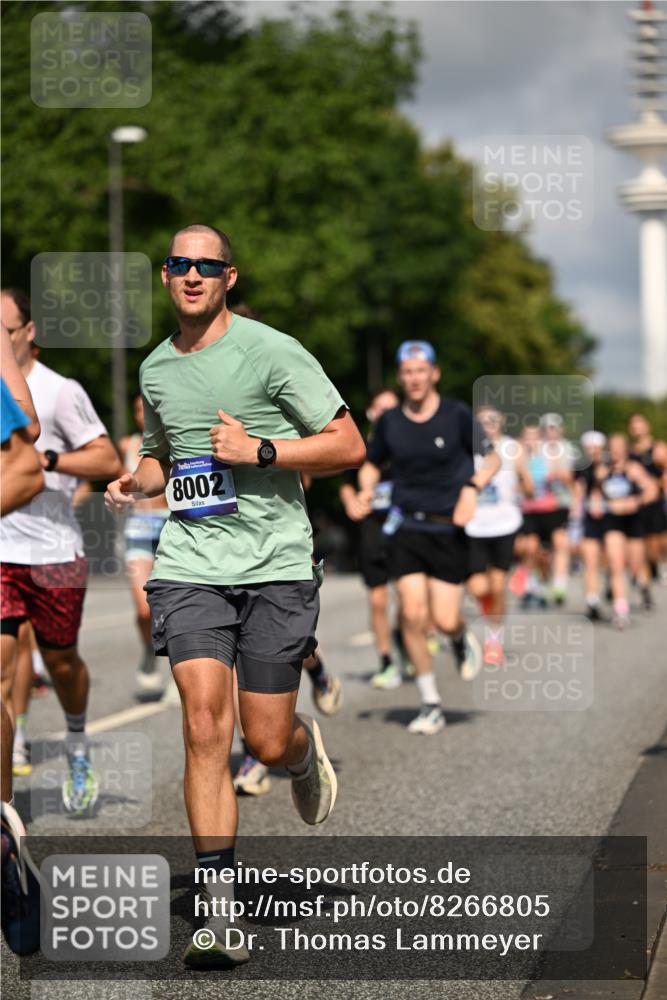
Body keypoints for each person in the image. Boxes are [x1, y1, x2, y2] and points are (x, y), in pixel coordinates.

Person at [104, 224, 365, 969]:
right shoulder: (157, 369)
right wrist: (138, 480)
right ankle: (219, 917)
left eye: (205, 266)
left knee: (263, 738)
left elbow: (348, 445)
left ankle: (297, 749)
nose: (191, 275)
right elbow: (163, 454)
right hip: (189, 564)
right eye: (179, 265)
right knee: (203, 724)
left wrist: (260, 450)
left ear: (229, 277)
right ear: (165, 277)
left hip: (276, 563)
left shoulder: (271, 350)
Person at [0, 287, 122, 813]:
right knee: (3, 665)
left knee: (63, 661)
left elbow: (106, 459)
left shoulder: (58, 391)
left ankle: (76, 741)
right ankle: (7, 800)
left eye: (5, 330)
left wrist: (48, 458)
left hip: (54, 553)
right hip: (3, 549)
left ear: (30, 332)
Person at [358, 341, 500, 736]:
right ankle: (430, 701)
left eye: (421, 370)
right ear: (400, 377)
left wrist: (471, 488)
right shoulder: (389, 422)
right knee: (413, 614)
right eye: (407, 372)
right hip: (406, 528)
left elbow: (492, 459)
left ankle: (458, 636)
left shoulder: (456, 415)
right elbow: (371, 464)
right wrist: (366, 489)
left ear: (434, 373)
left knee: (444, 617)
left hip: (447, 528)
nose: (414, 378)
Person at [340, 387, 411, 690]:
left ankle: (405, 635)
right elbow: (345, 484)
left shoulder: (411, 444)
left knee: (410, 602)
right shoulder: (359, 447)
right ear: (370, 412)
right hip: (371, 528)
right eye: (379, 408)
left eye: (390, 408)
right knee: (378, 600)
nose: (384, 414)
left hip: (406, 528)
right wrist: (350, 502)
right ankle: (385, 661)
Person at [465, 406, 532, 665]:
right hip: (474, 526)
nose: (488, 424)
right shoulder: (467, 448)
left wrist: (524, 485)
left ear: (502, 421)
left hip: (505, 525)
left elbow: (529, 486)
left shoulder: (512, 448)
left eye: (493, 419)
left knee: (496, 585)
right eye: (482, 421)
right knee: (477, 587)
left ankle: (494, 639)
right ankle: (489, 611)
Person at [117, 393, 171, 698]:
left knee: (178, 607)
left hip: (169, 524)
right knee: (143, 609)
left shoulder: (175, 441)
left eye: (147, 409)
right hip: (138, 527)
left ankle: (183, 670)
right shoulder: (126, 445)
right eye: (138, 409)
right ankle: (149, 651)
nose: (142, 414)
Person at [593, 434, 658, 628]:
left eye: (618, 446)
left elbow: (652, 490)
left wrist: (634, 502)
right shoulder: (603, 471)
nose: (614, 451)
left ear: (625, 449)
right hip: (613, 522)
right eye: (611, 446)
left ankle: (642, 586)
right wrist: (598, 505)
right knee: (615, 564)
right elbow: (596, 494)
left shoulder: (633, 469)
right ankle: (621, 611)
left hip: (633, 522)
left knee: (635, 565)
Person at [628, 413, 667, 589]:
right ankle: (643, 578)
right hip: (636, 503)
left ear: (647, 426)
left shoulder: (658, 448)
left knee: (656, 543)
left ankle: (654, 564)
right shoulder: (630, 452)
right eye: (633, 424)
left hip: (656, 502)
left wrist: (657, 486)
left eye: (640, 423)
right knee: (639, 542)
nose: (636, 428)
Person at [574, 431, 609, 621]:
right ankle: (592, 600)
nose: (593, 450)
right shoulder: (581, 468)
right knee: (590, 561)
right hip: (589, 518)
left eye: (596, 446)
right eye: (590, 446)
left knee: (610, 559)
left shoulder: (611, 464)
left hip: (612, 518)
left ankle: (611, 586)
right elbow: (578, 492)